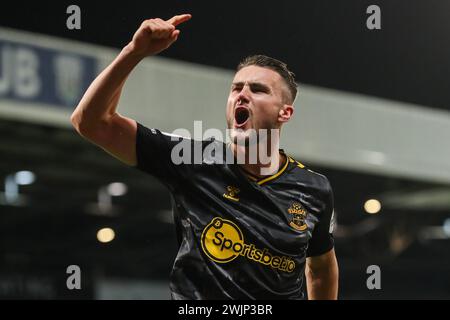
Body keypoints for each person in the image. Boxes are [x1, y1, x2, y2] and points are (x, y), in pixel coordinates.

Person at [71, 14, 339, 300]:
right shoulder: (193, 160)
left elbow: (321, 268)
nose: (242, 95)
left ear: (284, 113)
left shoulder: (314, 189)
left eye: (258, 90)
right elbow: (91, 123)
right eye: (236, 88)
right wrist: (133, 53)